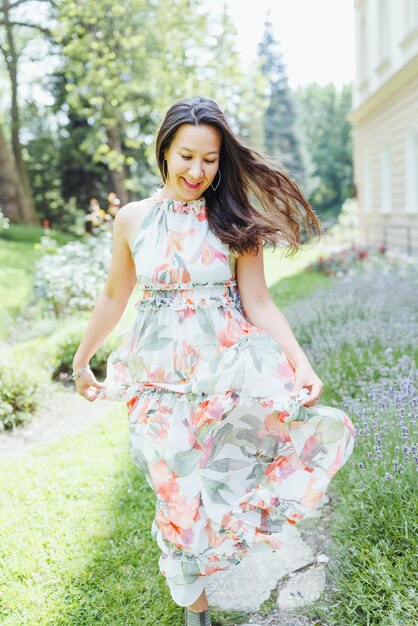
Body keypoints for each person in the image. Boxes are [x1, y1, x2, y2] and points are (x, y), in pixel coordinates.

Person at [72, 95, 356, 626]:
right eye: (186, 156)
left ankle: (228, 550)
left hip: (231, 374)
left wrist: (302, 364)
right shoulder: (133, 220)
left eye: (210, 159)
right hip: (159, 382)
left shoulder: (234, 221)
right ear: (164, 151)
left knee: (230, 483)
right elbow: (115, 294)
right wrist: (83, 357)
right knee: (175, 498)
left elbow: (261, 302)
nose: (197, 170)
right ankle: (196, 614)